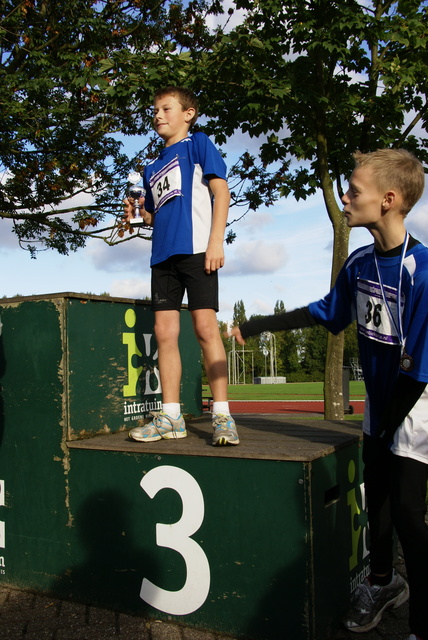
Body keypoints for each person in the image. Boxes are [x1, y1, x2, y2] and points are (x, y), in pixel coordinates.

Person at [227, 149, 428, 640]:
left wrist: (384, 425)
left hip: (416, 401)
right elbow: (326, 313)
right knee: (375, 497)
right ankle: (383, 583)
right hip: (379, 405)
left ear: (389, 200)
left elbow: (419, 369)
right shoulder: (359, 262)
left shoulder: (421, 269)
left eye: (354, 191)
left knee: (405, 507)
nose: (345, 197)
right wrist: (256, 326)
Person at [124, 86, 239, 447]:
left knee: (206, 328)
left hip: (198, 251)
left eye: (165, 108)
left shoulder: (199, 144)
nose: (157, 115)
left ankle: (222, 414)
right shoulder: (151, 167)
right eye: (154, 110)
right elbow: (156, 215)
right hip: (162, 257)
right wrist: (137, 217)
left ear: (188, 113)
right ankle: (171, 415)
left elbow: (222, 193)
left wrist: (216, 242)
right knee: (164, 333)